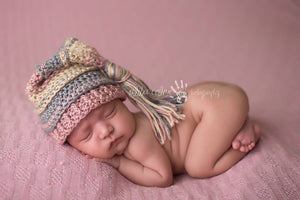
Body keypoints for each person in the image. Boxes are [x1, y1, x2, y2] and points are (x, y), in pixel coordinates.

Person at [26, 37, 261, 187]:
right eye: (87, 136)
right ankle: (234, 121)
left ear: (124, 101)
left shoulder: (137, 141)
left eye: (109, 114)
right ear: (73, 146)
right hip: (215, 98)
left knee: (198, 167)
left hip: (216, 106)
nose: (106, 130)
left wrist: (119, 164)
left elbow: (162, 177)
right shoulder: (126, 131)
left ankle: (245, 133)